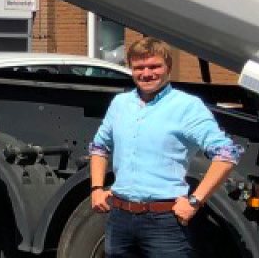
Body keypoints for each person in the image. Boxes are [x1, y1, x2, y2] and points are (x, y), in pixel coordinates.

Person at [89, 37, 242, 258]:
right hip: (119, 219)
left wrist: (195, 201)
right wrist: (96, 189)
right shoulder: (120, 104)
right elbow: (99, 147)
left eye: (154, 66)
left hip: (164, 222)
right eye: (139, 67)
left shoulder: (187, 107)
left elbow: (227, 155)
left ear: (168, 67)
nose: (147, 73)